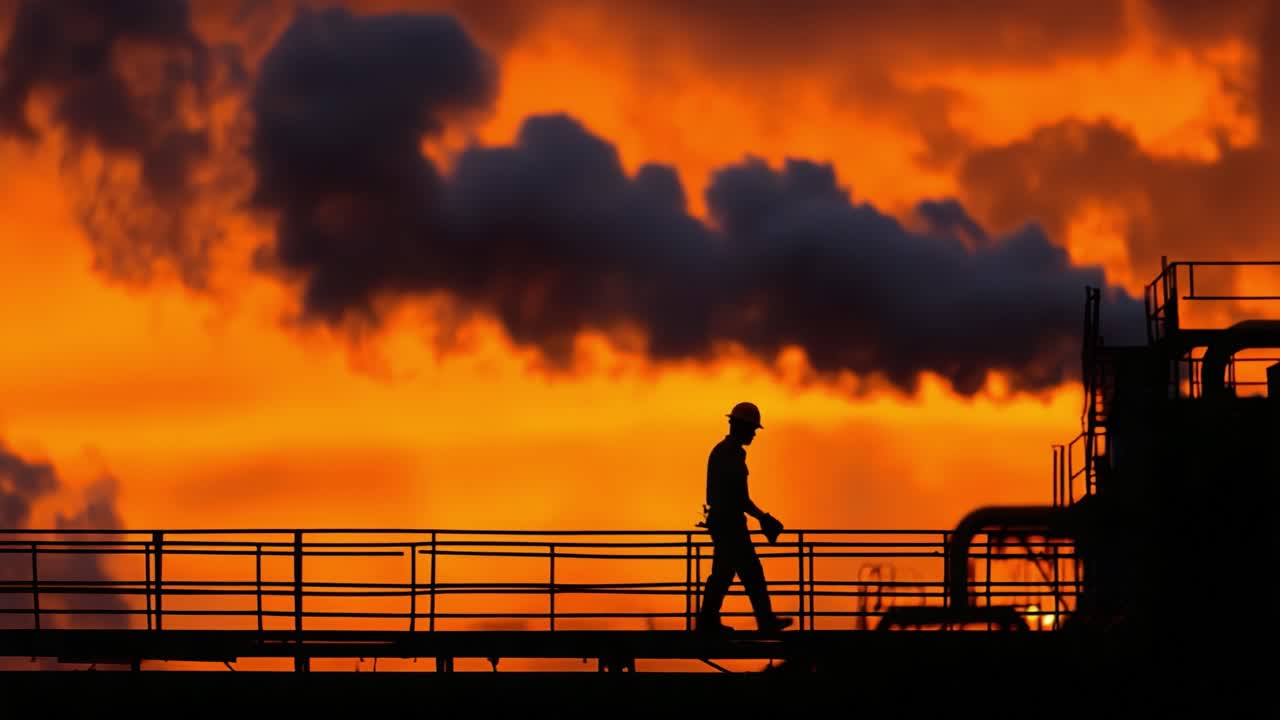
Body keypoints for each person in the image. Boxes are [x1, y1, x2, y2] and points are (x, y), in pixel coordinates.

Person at [696, 401, 793, 634]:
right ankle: (763, 621)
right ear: (740, 427)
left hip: (725, 523)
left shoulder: (725, 452)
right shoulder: (730, 455)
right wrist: (763, 517)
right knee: (746, 572)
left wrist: (761, 517)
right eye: (751, 429)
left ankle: (710, 621)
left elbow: (736, 498)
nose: (753, 434)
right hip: (729, 525)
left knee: (727, 573)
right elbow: (739, 498)